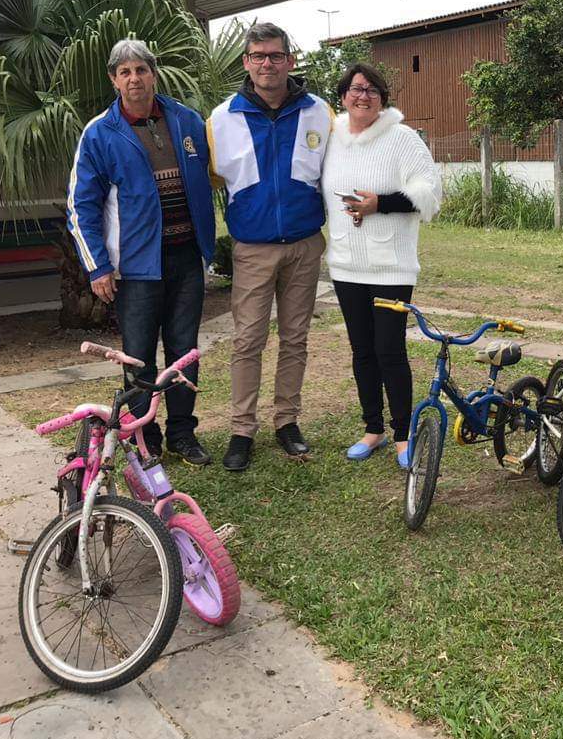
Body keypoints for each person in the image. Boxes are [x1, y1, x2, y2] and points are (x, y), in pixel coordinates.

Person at [66, 39, 216, 466]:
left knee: (184, 350)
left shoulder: (186, 121)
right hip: (135, 267)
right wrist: (98, 267)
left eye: (142, 70)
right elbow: (81, 206)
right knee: (138, 356)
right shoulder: (100, 132)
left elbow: (211, 179)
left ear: (154, 73)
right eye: (125, 72)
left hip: (186, 258)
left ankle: (184, 434)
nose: (135, 79)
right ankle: (143, 437)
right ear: (114, 80)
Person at [207, 23, 332, 472]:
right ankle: (242, 430)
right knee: (247, 340)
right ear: (246, 62)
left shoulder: (320, 113)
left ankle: (287, 421)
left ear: (290, 61)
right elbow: (212, 181)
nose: (266, 63)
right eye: (258, 56)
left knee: (295, 338)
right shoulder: (222, 119)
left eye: (275, 56)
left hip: (304, 244)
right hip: (254, 248)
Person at [320, 64, 441, 467]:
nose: (363, 96)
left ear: (383, 98)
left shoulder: (401, 138)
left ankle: (404, 434)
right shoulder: (331, 138)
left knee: (390, 350)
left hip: (391, 265)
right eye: (356, 89)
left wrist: (380, 203)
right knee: (362, 351)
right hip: (346, 264)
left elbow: (429, 192)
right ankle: (373, 429)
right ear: (343, 96)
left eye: (372, 90)